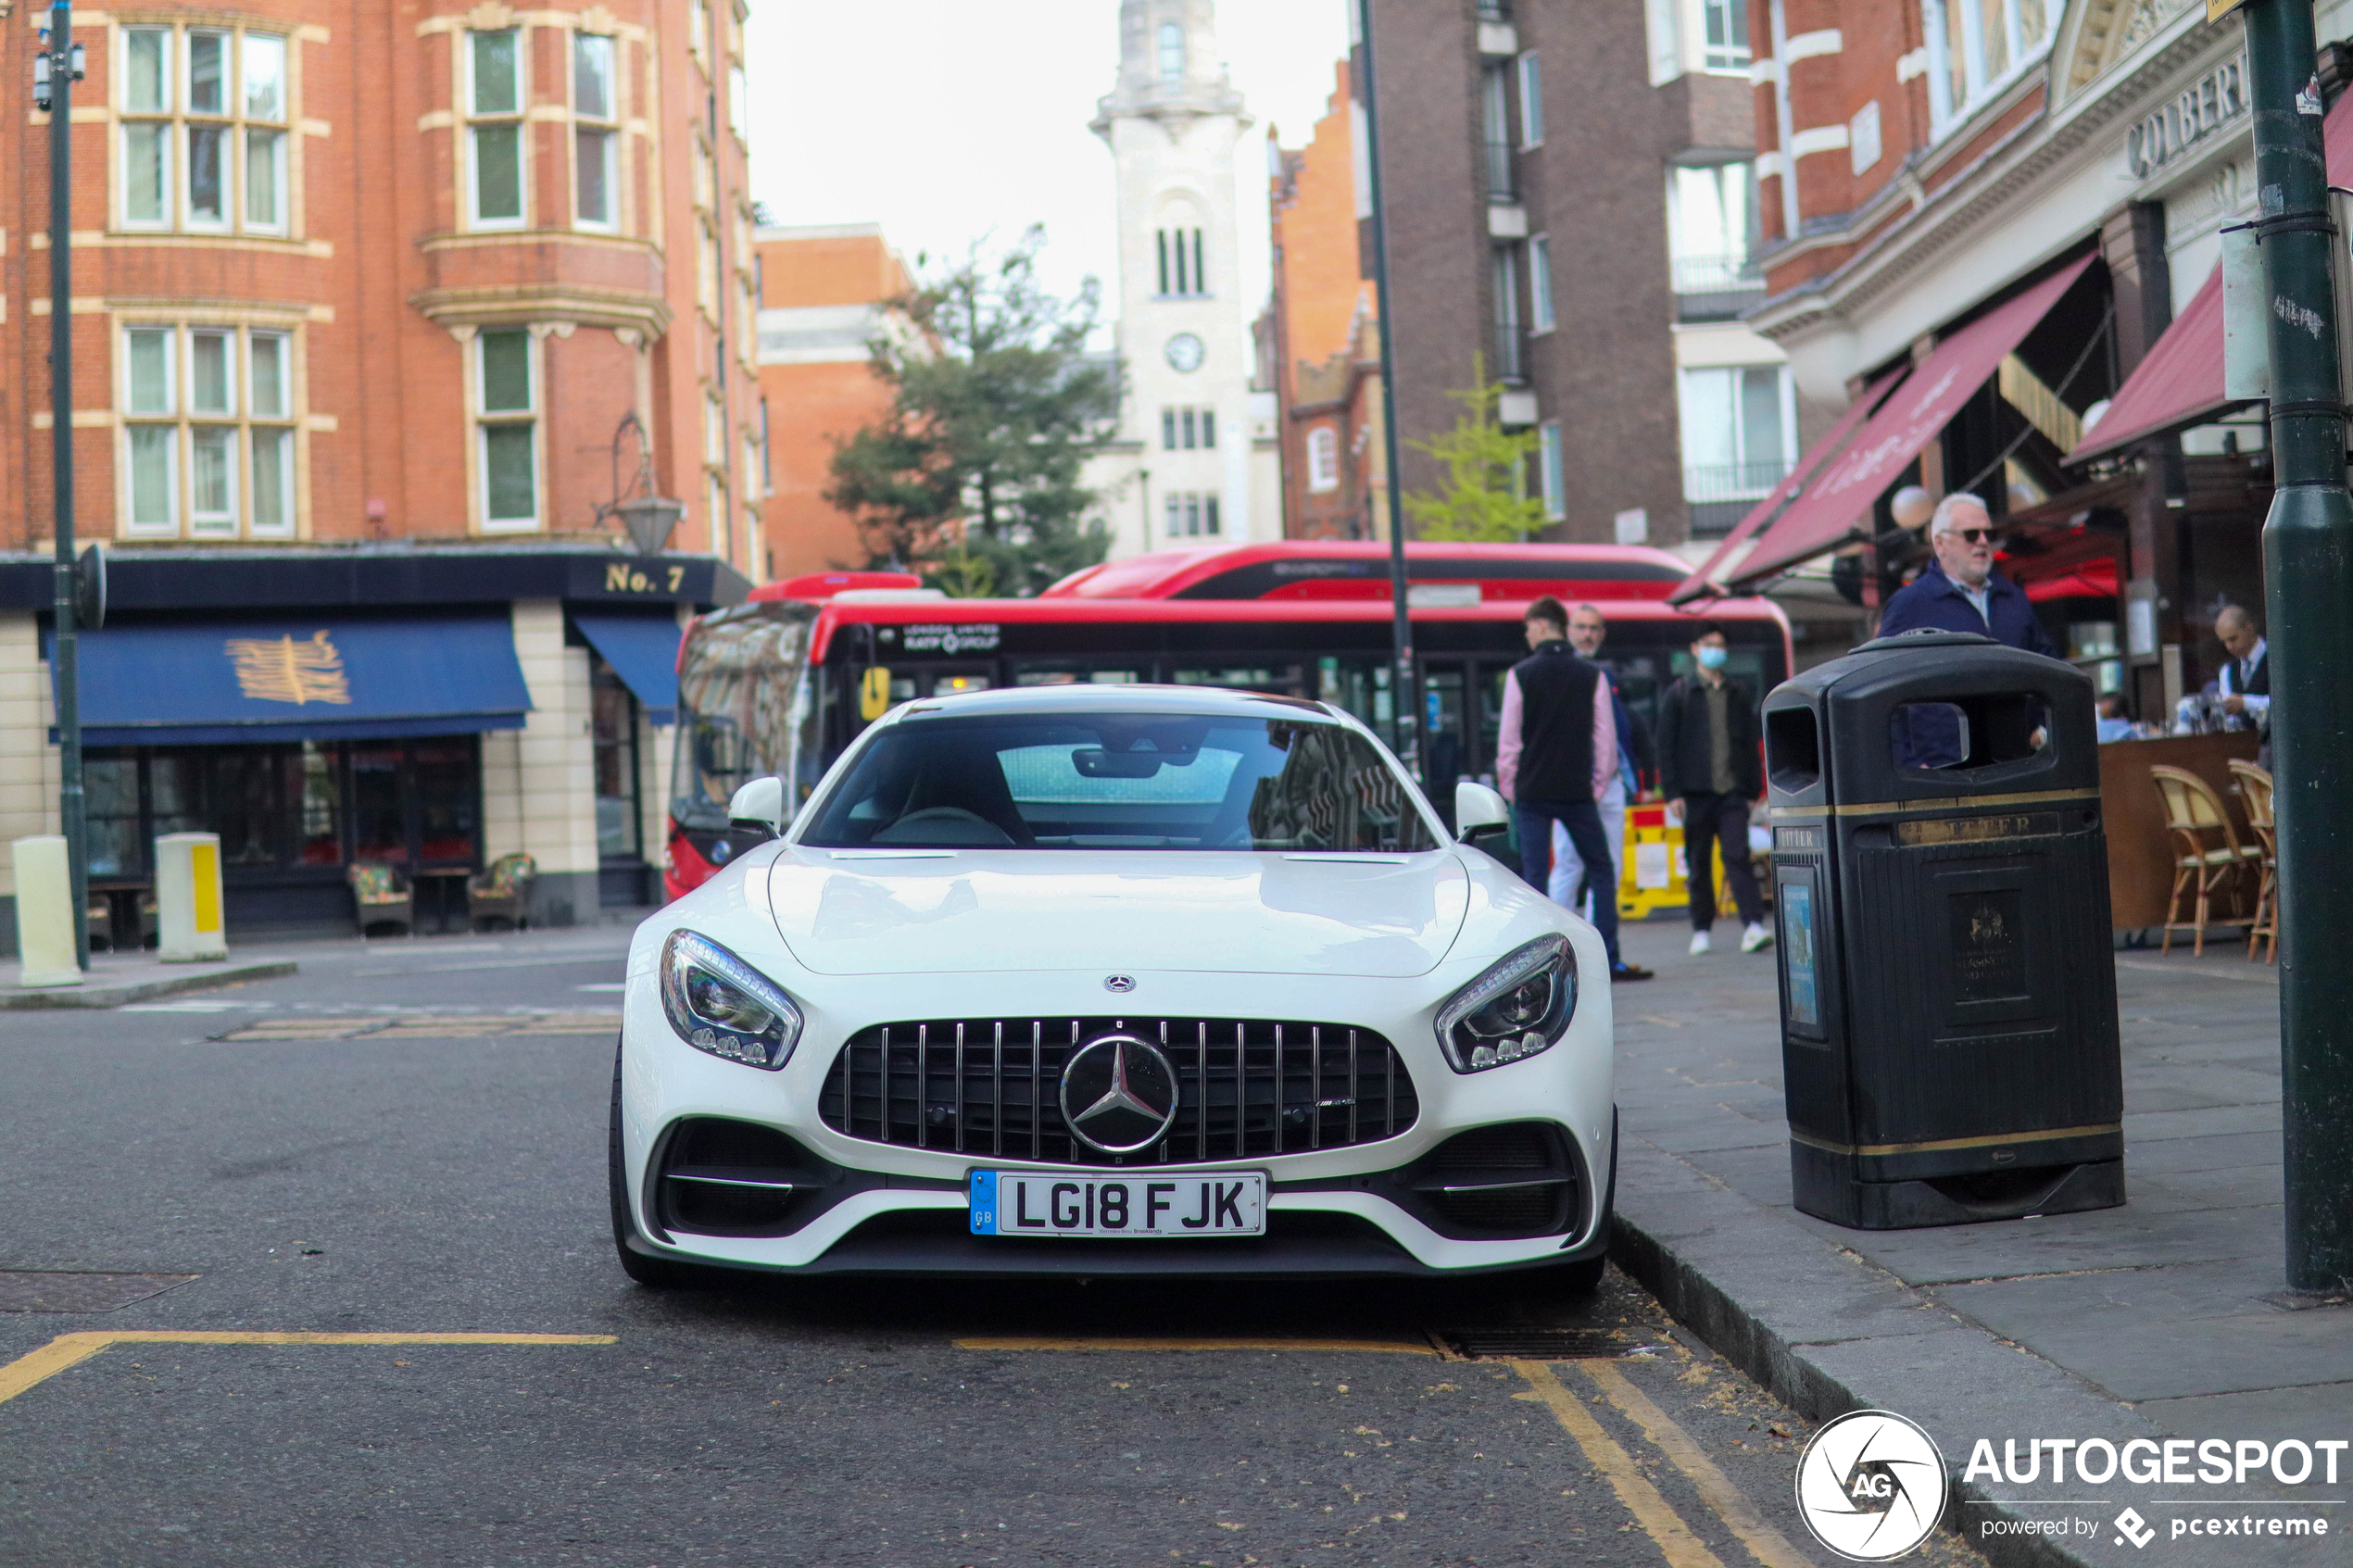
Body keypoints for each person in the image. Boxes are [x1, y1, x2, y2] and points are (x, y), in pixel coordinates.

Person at [1498, 596, 1653, 982]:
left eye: (1528, 627)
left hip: (1532, 792)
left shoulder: (1520, 674)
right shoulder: (1592, 676)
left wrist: (1511, 787)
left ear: (1540, 625)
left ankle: (1533, 966)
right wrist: (1597, 786)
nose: (1527, 634)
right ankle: (1607, 956)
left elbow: (1509, 739)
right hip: (1577, 792)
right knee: (1601, 868)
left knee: (1535, 875)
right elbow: (1605, 739)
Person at [1657, 622, 1770, 956]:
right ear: (1694, 649)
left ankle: (1752, 925)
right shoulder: (1680, 693)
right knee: (1698, 861)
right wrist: (1672, 793)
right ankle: (1701, 929)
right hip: (1694, 792)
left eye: (1720, 644)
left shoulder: (1739, 693)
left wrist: (1753, 790)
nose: (1715, 650)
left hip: (1733, 793)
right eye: (1708, 644)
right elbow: (1666, 747)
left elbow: (1751, 744)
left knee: (1737, 856)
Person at [1548, 604, 1651, 923]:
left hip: (1610, 782)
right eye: (1581, 627)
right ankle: (1558, 939)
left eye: (1594, 628)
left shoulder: (1605, 675)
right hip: (1574, 783)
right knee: (1569, 864)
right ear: (1568, 631)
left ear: (1602, 634)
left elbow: (1621, 732)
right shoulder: (1561, 673)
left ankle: (1597, 944)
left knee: (1609, 866)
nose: (1587, 634)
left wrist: (1631, 778)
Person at [1877, 493, 2061, 655]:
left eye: (1989, 534)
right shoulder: (1910, 603)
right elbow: (1882, 672)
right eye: (1971, 534)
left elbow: (2047, 665)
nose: (1982, 542)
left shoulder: (2013, 598)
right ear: (1940, 544)